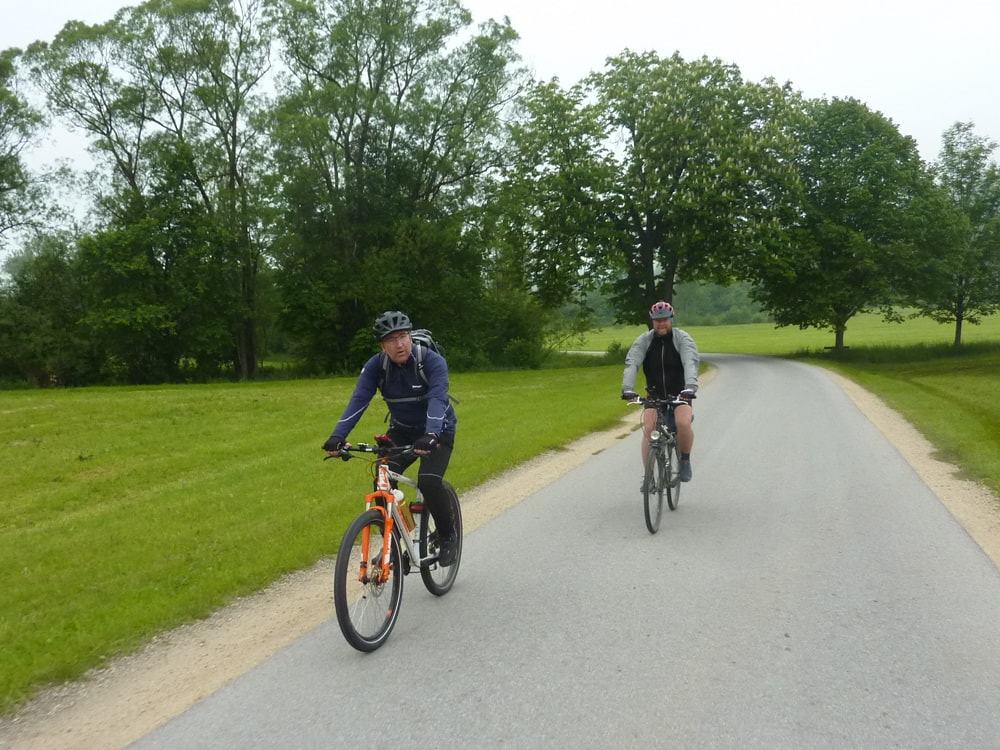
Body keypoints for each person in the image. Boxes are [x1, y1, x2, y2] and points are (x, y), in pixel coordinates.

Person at [323, 310, 459, 565]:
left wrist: (431, 433)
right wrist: (337, 436)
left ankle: (447, 535)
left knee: (429, 481)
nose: (400, 344)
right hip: (403, 429)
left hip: (438, 430)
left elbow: (437, 399)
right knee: (382, 478)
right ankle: (393, 543)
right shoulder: (376, 367)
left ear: (410, 337)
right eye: (391, 339)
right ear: (381, 346)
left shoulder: (431, 362)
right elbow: (359, 401)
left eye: (403, 336)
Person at [621, 300, 699, 484]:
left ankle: (685, 460)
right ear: (652, 321)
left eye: (664, 320)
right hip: (654, 394)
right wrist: (627, 389)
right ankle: (648, 476)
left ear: (671, 319)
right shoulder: (644, 341)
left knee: (683, 423)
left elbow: (690, 362)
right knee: (649, 429)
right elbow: (632, 363)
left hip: (680, 393)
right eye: (657, 320)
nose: (661, 323)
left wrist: (690, 387)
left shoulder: (682, 339)